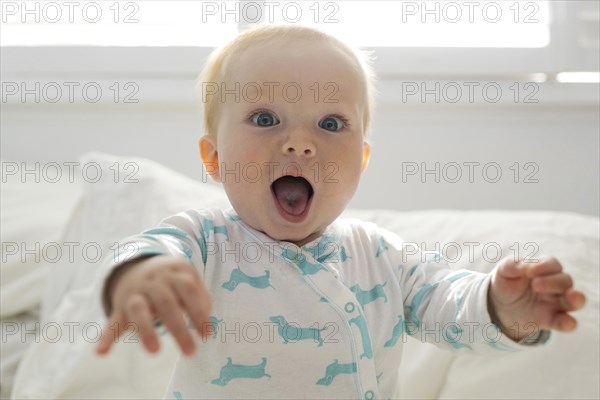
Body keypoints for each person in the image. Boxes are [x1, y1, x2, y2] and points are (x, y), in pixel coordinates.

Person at [95, 25, 586, 399]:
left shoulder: (382, 255)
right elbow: (151, 251)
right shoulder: (203, 242)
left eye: (331, 123)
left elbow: (449, 306)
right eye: (265, 119)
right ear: (214, 158)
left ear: (362, 161)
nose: (300, 144)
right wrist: (143, 277)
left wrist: (505, 310)